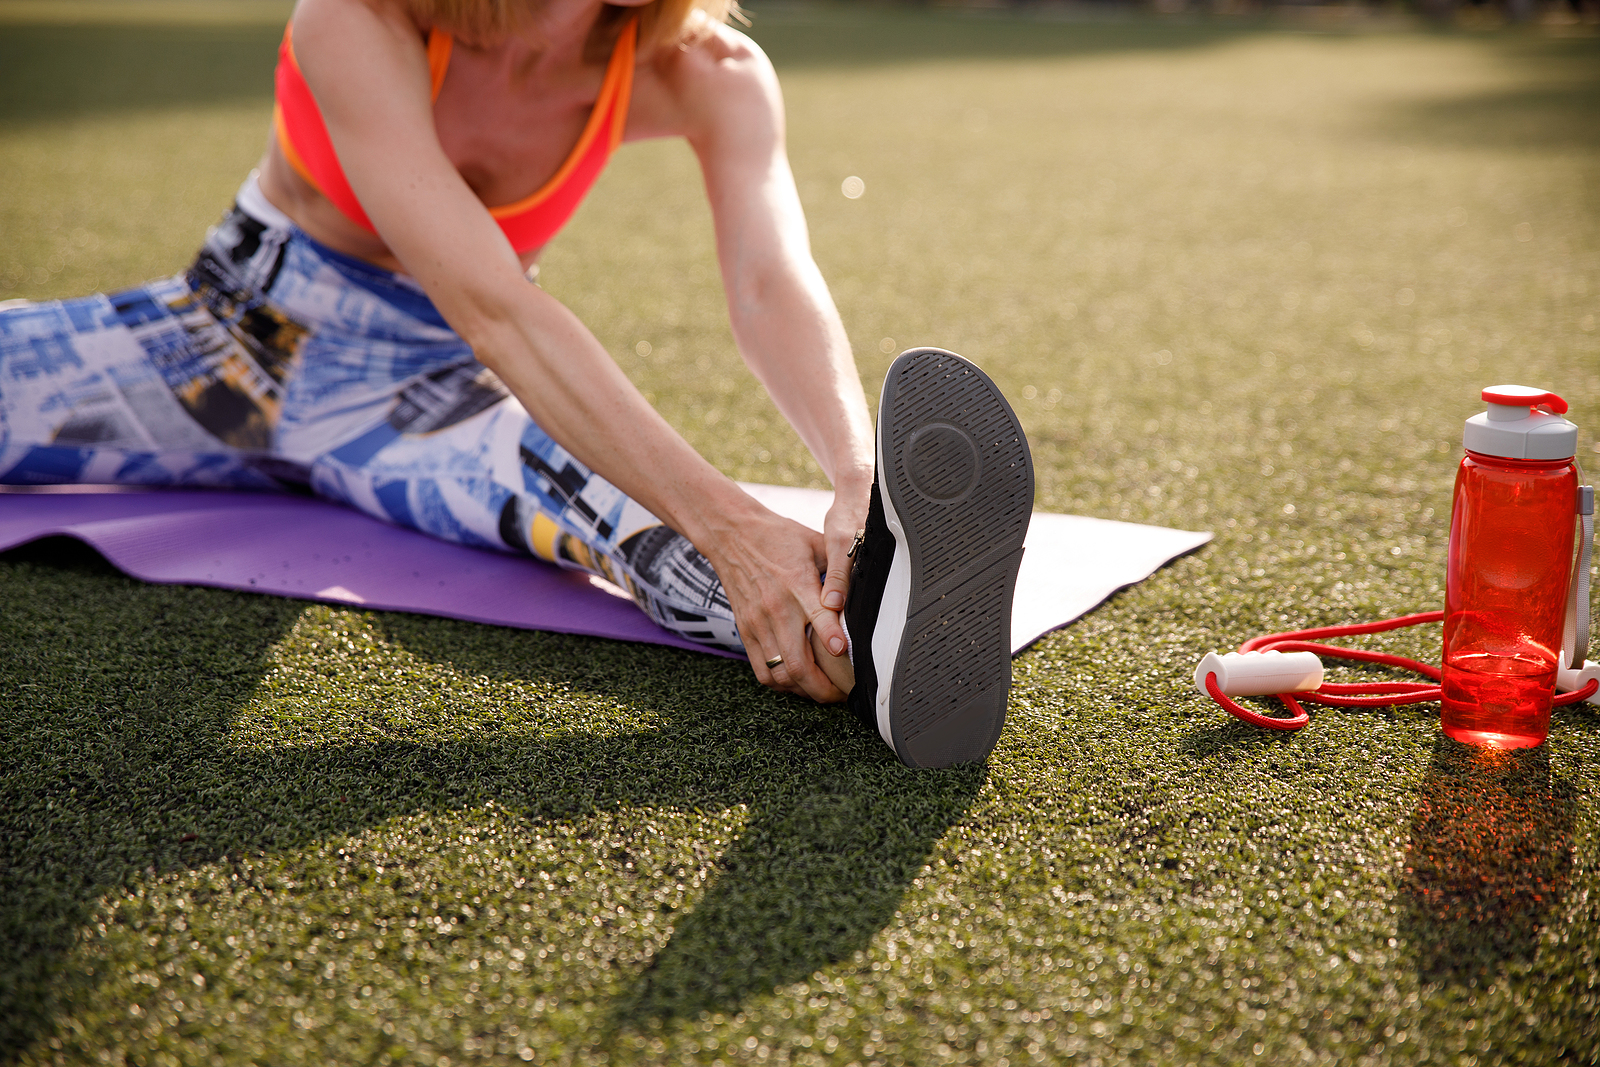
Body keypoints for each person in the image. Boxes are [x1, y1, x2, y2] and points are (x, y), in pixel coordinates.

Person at [0, 0, 1034, 766]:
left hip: (428, 401)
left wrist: (854, 472)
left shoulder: (710, 69)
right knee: (718, 531)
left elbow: (768, 284)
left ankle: (880, 625)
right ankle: (854, 606)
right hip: (227, 351)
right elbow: (496, 305)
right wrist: (730, 518)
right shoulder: (356, 18)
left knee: (669, 547)